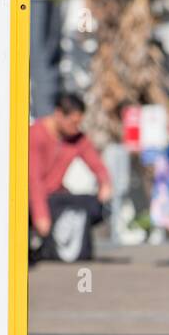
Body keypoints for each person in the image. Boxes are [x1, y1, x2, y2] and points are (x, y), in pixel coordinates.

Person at [28, 93, 113, 262]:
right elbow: (33, 179)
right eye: (73, 122)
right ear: (59, 114)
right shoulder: (36, 134)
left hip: (55, 196)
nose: (77, 127)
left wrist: (105, 182)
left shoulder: (76, 138)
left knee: (95, 205)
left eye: (79, 122)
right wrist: (40, 215)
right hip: (31, 198)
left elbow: (96, 163)